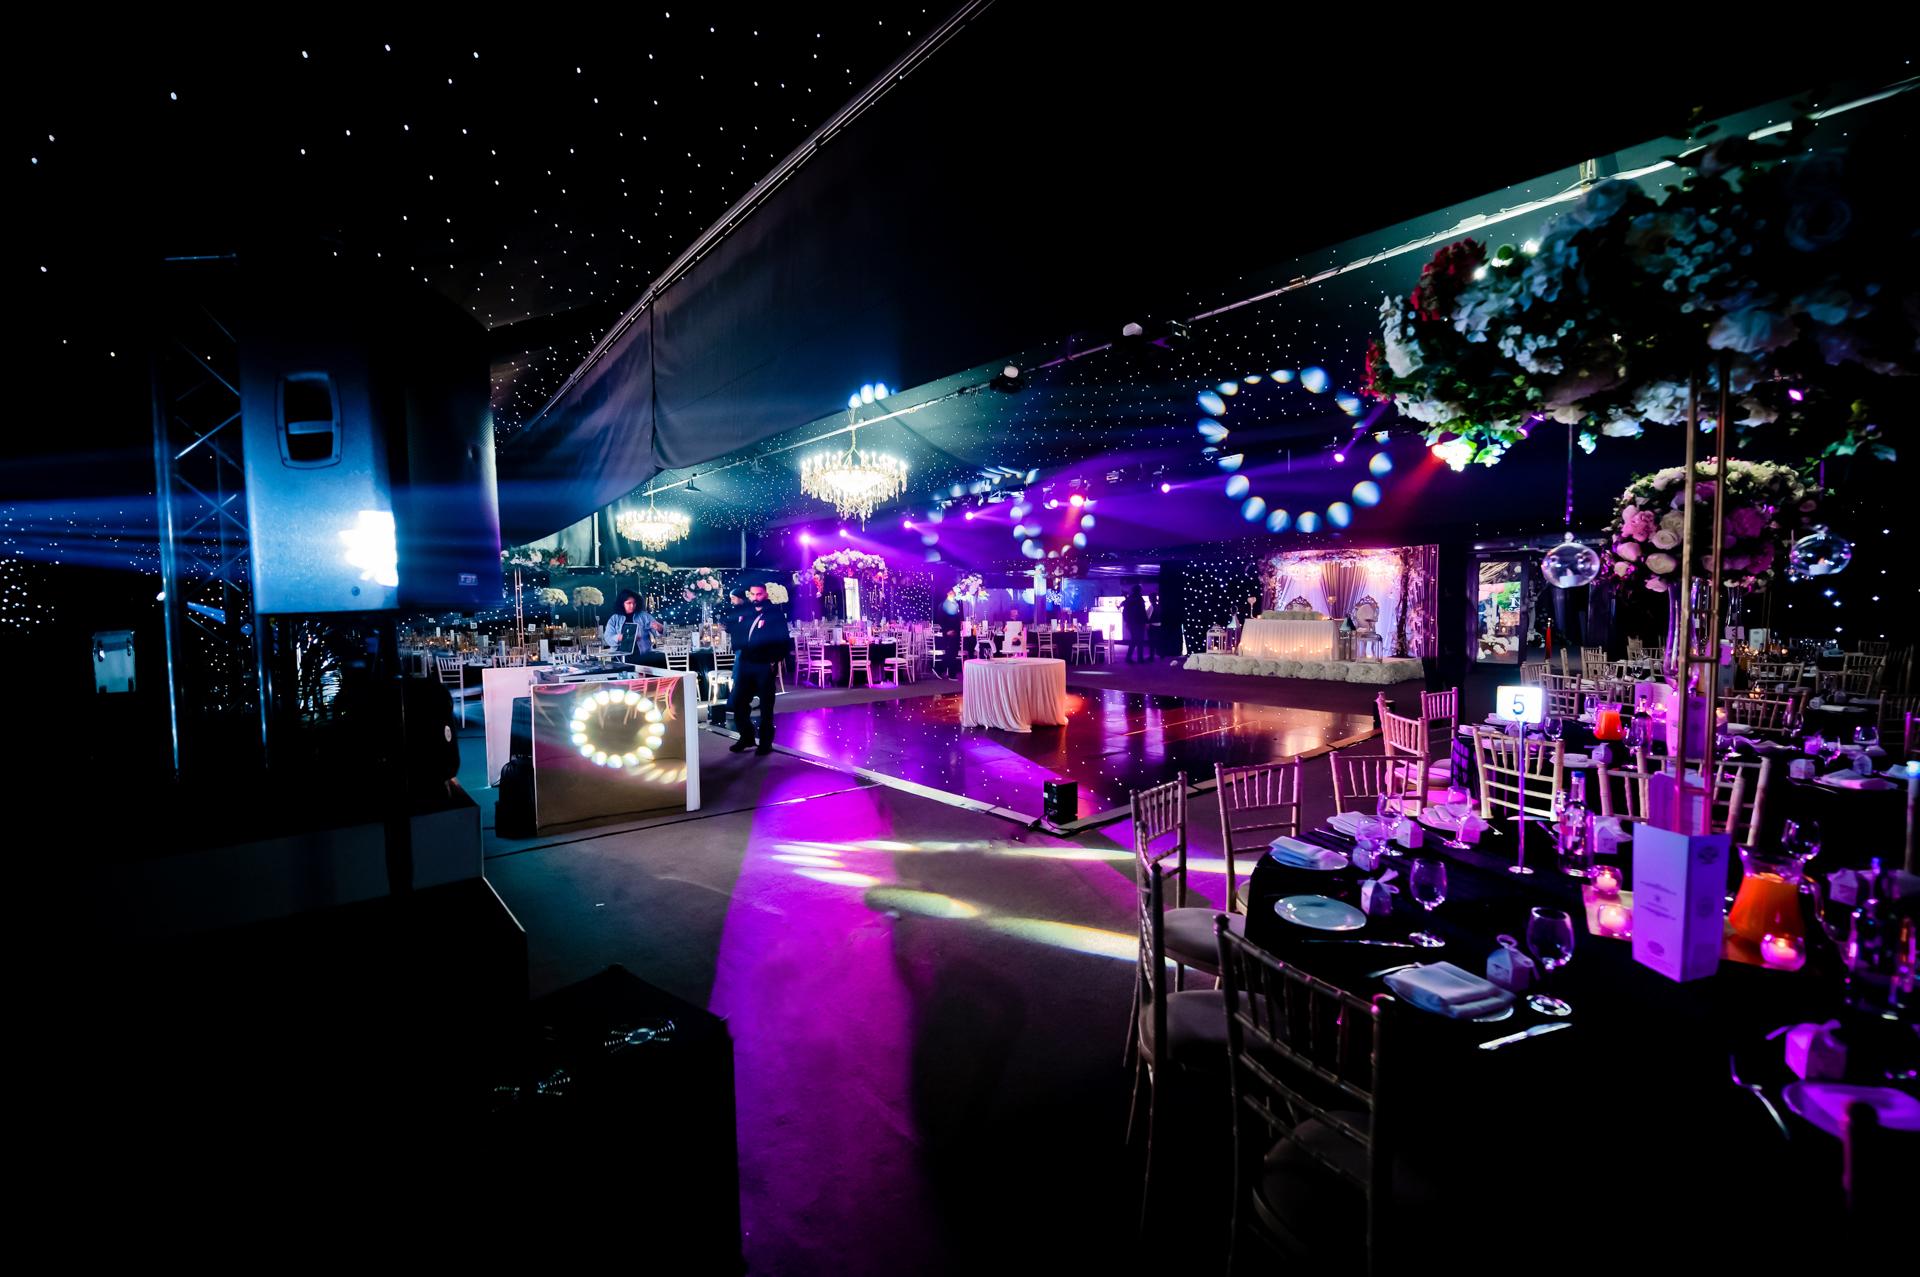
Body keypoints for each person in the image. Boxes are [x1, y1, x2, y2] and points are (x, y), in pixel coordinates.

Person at [728, 583, 789, 756]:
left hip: (764, 664)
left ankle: (765, 743)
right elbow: (736, 631)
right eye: (753, 594)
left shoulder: (775, 614)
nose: (755, 597)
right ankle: (746, 737)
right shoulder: (746, 612)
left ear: (766, 594)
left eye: (759, 594)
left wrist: (773, 660)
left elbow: (784, 640)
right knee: (738, 701)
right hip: (745, 662)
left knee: (765, 706)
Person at [602, 590, 662, 659]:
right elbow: (608, 638)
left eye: (634, 603)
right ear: (622, 604)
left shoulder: (644, 616)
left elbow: (659, 634)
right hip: (619, 657)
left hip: (643, 657)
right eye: (629, 603)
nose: (632, 606)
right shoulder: (614, 619)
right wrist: (619, 638)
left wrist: (660, 629)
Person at [1122, 585, 1149, 664]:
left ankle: (1129, 657)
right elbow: (1143, 612)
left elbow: (1125, 611)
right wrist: (1146, 622)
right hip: (1139, 622)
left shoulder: (1129, 599)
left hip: (1132, 623)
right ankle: (1139, 658)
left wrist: (1127, 622)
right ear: (1139, 590)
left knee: (1134, 640)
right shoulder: (1139, 599)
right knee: (1139, 640)